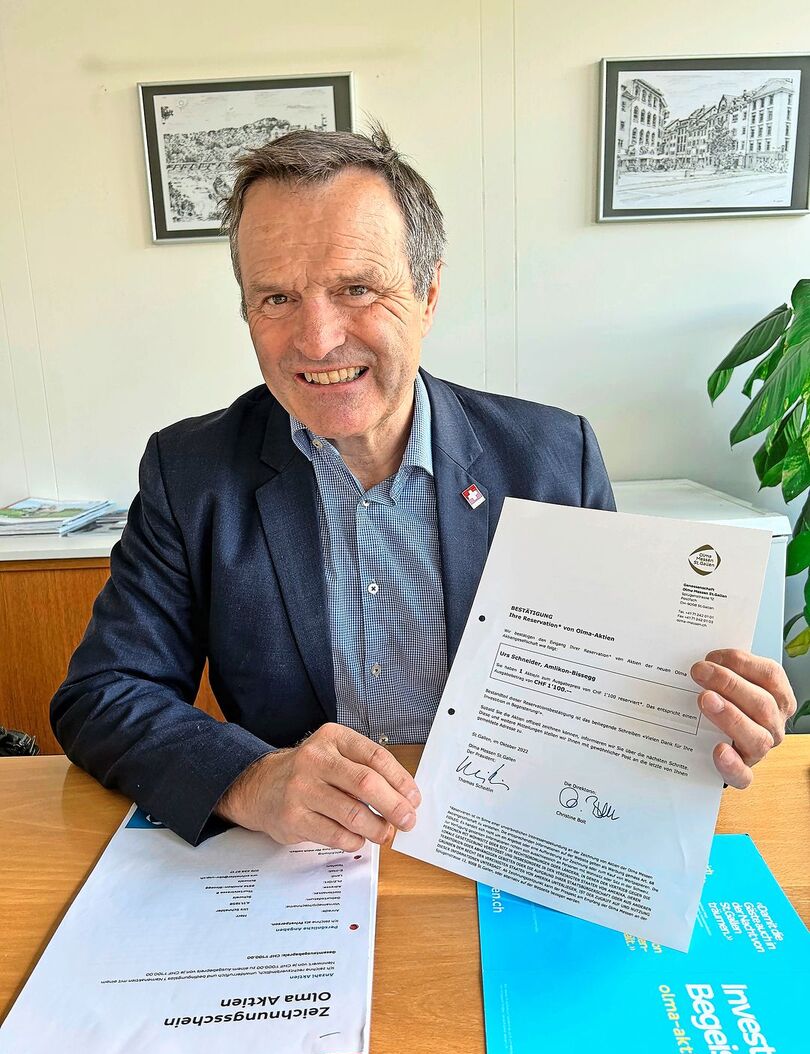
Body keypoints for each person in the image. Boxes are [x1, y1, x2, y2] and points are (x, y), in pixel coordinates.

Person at [51, 127, 796, 852]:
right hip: (299, 861)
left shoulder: (551, 458)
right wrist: (251, 778)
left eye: (357, 289)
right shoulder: (191, 472)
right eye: (276, 298)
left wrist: (702, 712)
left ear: (428, 294)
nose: (317, 339)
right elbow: (103, 693)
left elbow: (609, 682)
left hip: (513, 837)